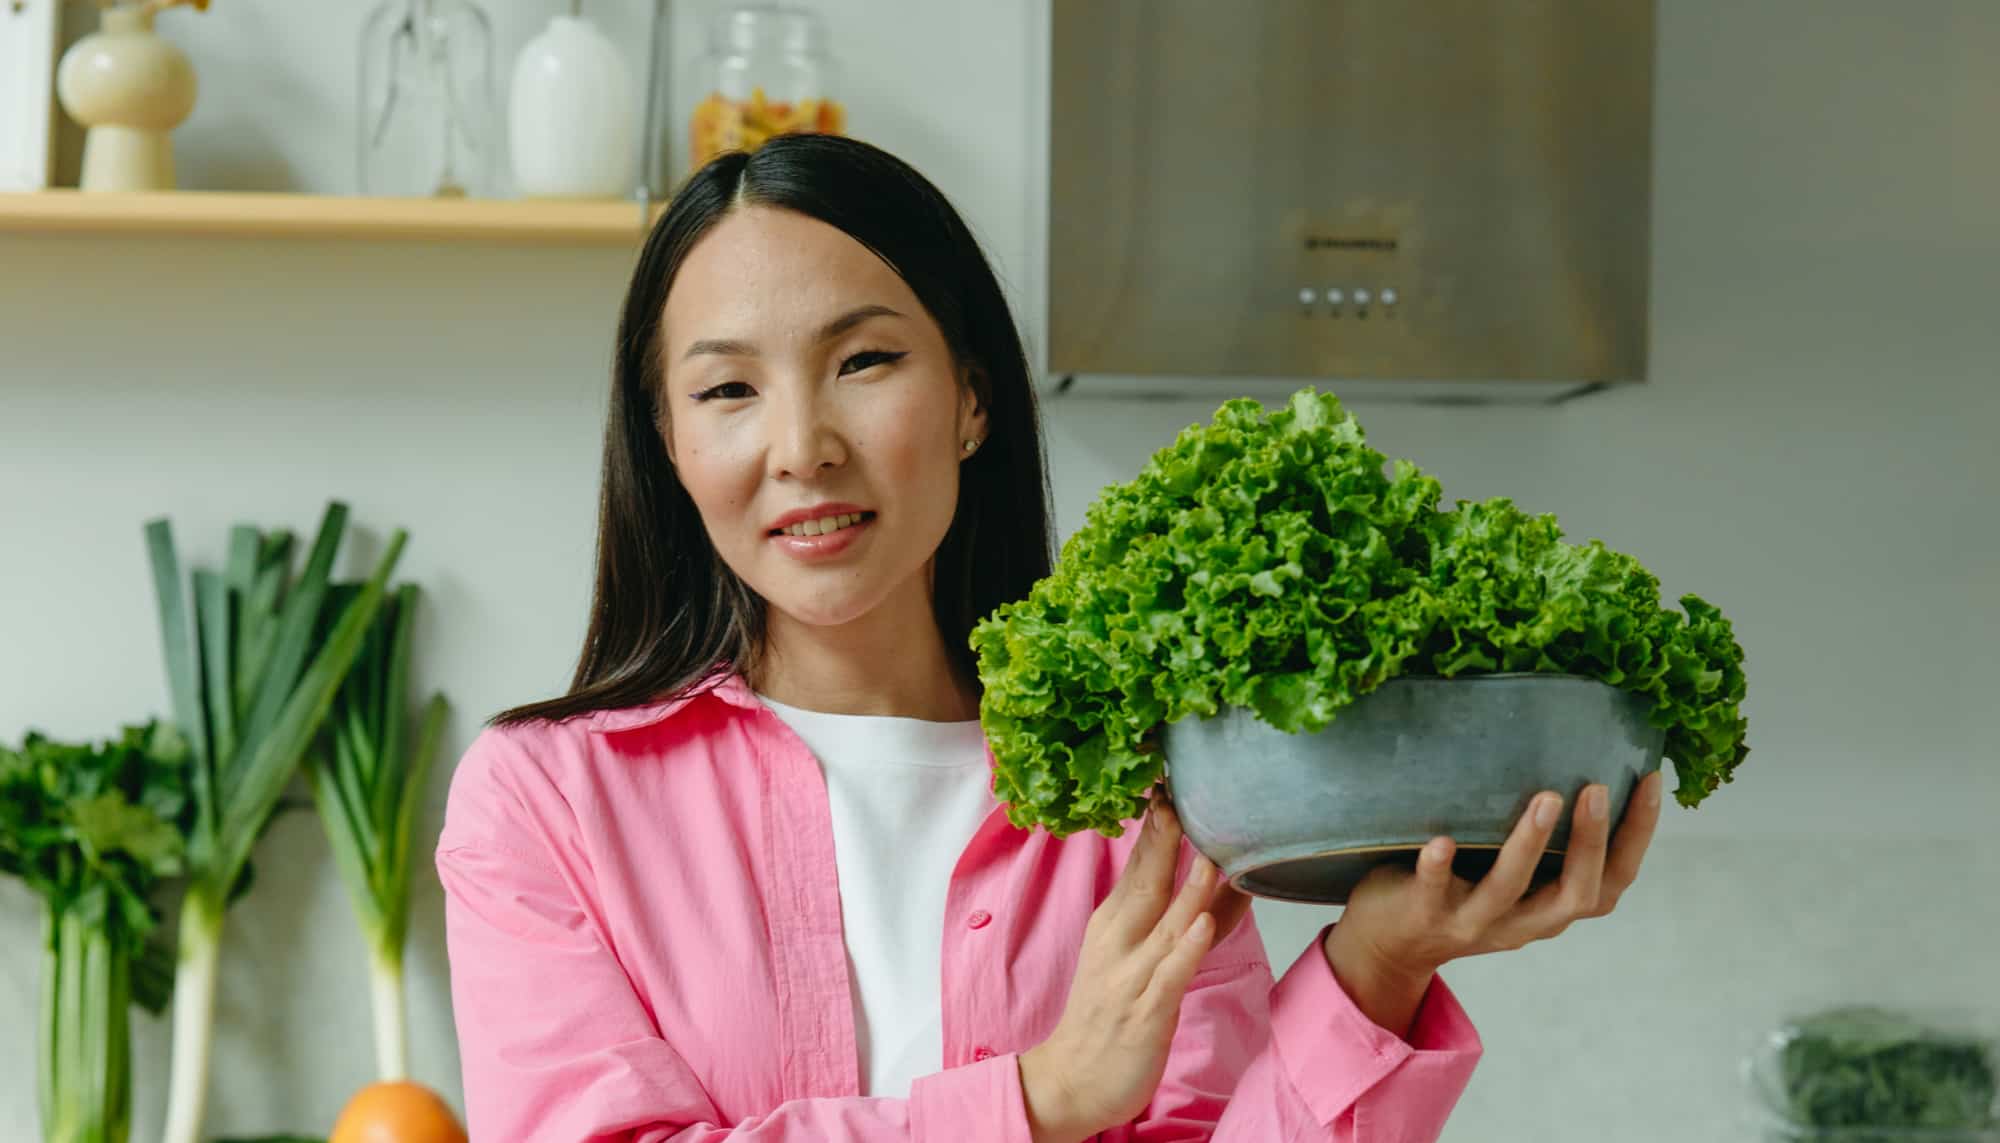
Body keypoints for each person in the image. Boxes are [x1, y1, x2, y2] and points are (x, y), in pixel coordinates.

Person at [435, 134, 1663, 1142]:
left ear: (970, 398)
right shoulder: (545, 803)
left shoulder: (1139, 795)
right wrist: (1037, 1100)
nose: (800, 445)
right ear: (665, 441)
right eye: (725, 391)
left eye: (862, 360)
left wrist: (1376, 971)